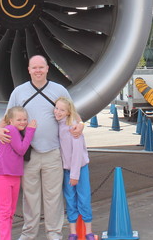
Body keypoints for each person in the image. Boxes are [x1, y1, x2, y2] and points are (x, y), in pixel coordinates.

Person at [0, 55, 84, 240]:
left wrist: (81, 124)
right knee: (30, 197)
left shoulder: (59, 90)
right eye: (34, 67)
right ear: (28, 70)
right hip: (28, 155)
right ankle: (29, 233)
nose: (38, 71)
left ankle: (54, 233)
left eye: (41, 67)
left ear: (47, 69)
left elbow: (72, 113)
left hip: (53, 152)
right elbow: (7, 118)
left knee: (53, 197)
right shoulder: (18, 92)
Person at [0, 106, 37, 240]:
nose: (23, 122)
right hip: (2, 174)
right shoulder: (10, 130)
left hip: (14, 174)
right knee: (5, 211)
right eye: (19, 119)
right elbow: (21, 149)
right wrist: (30, 131)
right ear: (10, 120)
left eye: (25, 119)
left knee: (10, 211)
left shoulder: (14, 130)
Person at [53, 97, 95, 240]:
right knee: (70, 200)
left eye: (62, 110)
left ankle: (88, 231)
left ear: (68, 112)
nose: (57, 112)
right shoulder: (58, 125)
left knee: (83, 198)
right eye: (56, 108)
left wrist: (75, 175)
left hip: (79, 170)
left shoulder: (73, 127)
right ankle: (73, 232)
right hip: (66, 170)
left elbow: (77, 154)